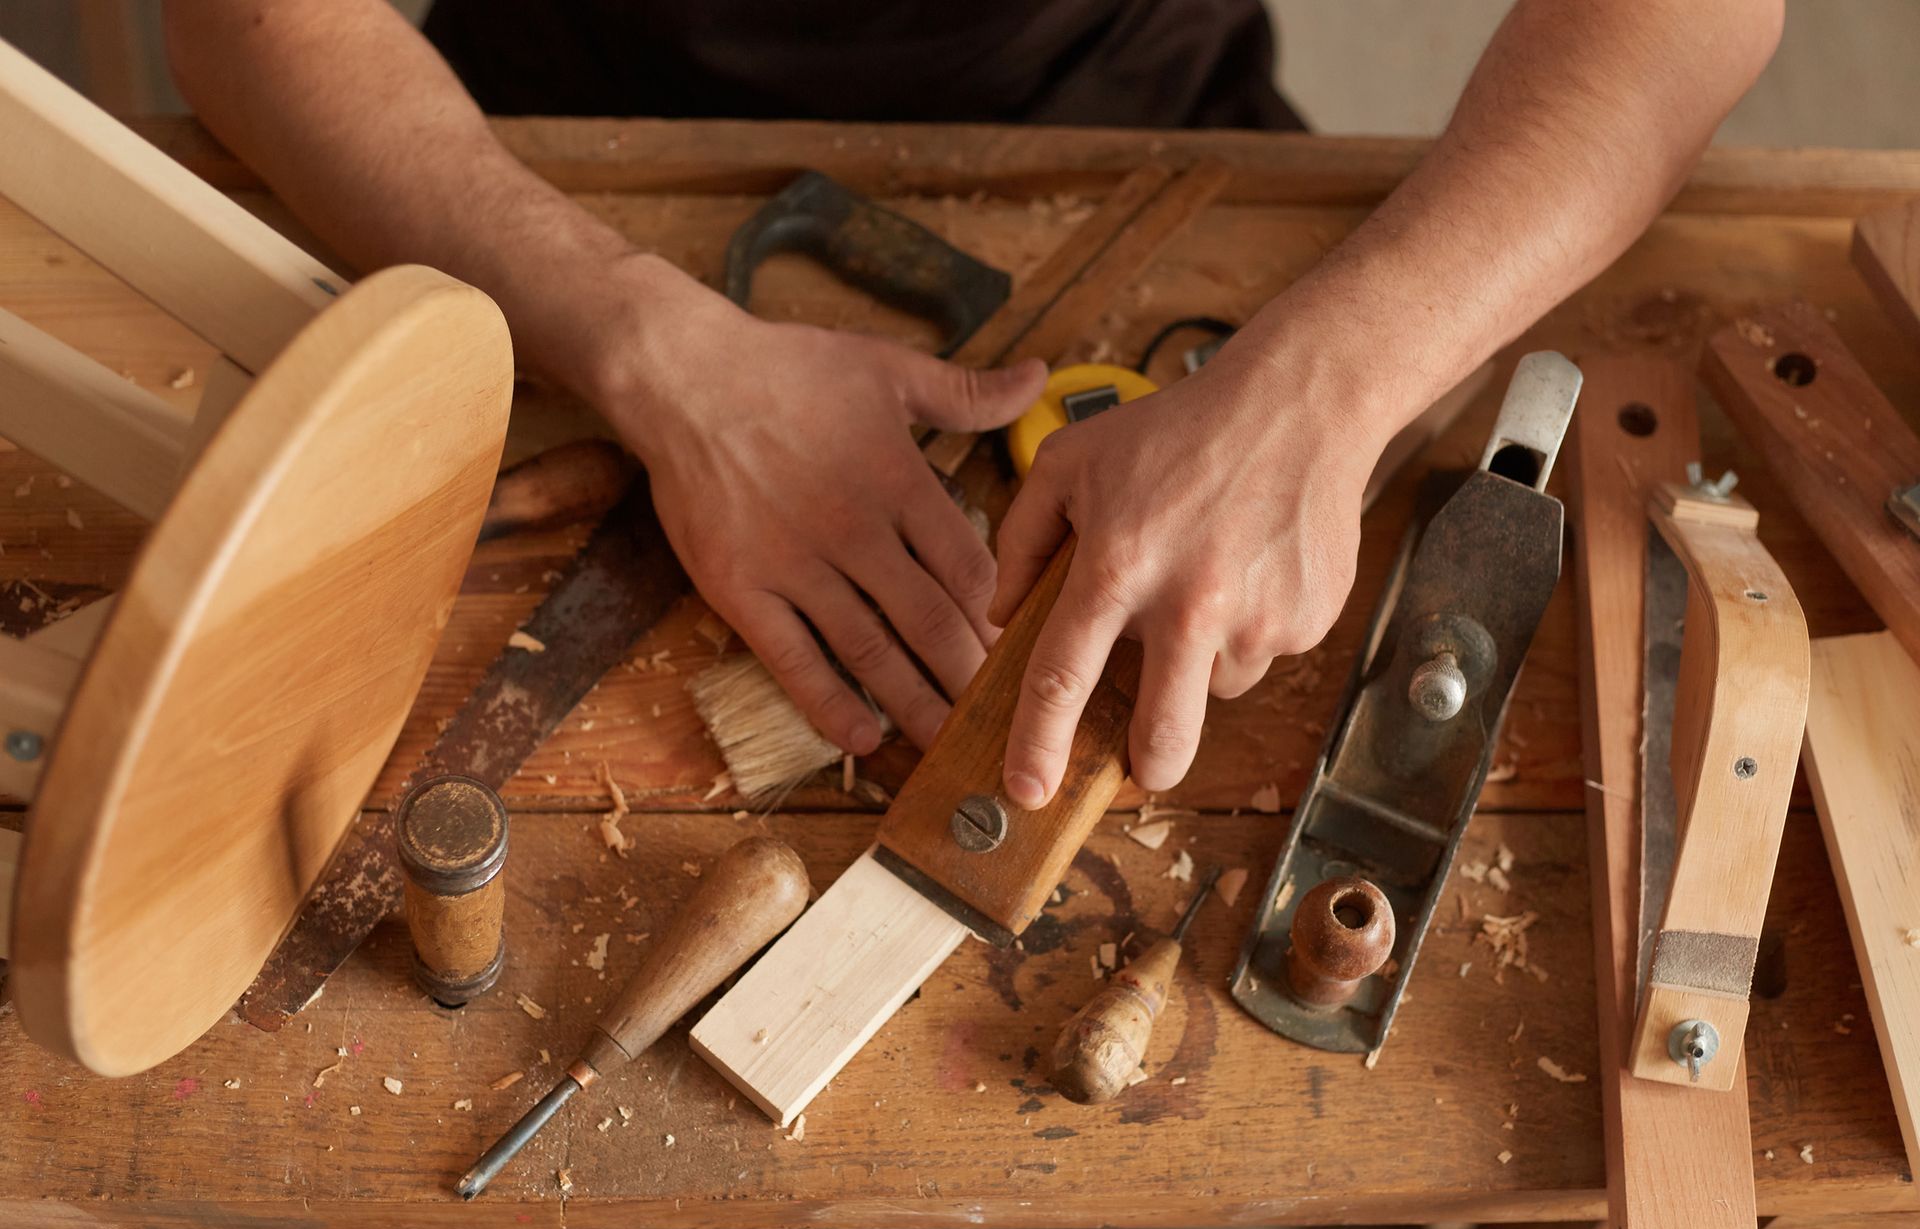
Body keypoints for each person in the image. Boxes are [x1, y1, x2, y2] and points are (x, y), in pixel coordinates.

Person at [162, 1, 1782, 810]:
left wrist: (1328, 378)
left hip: (1154, 122)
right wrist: (648, 346)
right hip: (527, 153)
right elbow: (244, 25)